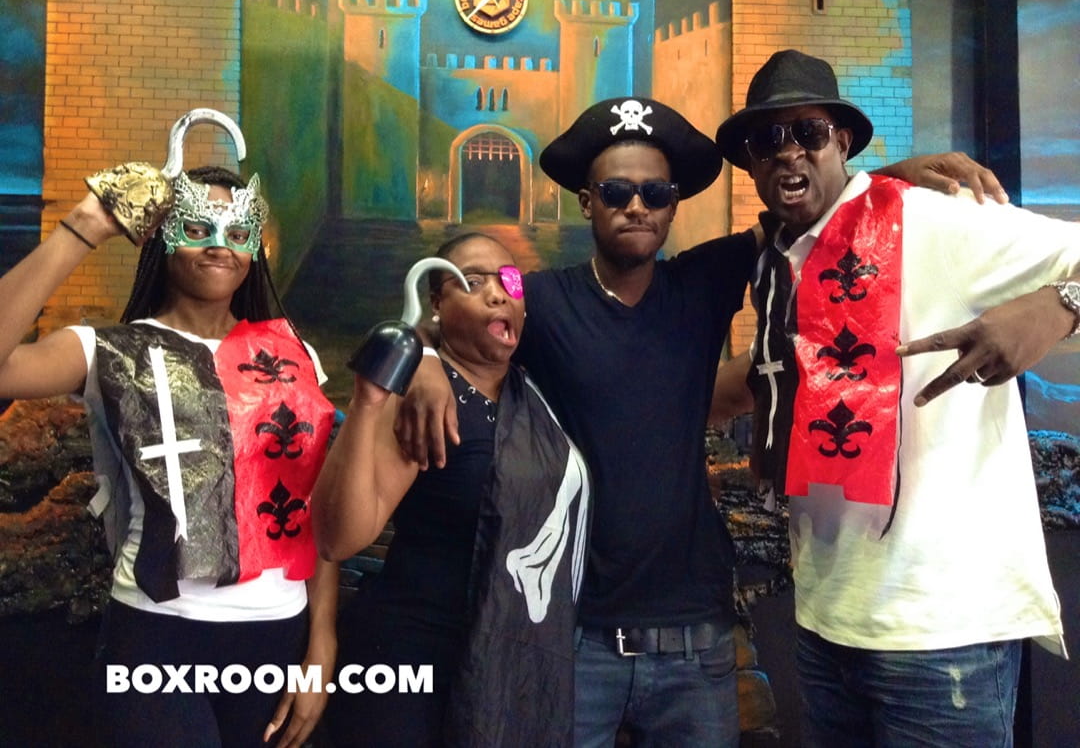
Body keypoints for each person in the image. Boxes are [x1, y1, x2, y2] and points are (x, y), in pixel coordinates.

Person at [395, 96, 1007, 746]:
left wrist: (888, 176)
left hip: (696, 638)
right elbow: (453, 307)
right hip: (574, 633)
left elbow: (810, 208)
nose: (637, 205)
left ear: (673, 206)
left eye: (656, 192)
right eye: (617, 191)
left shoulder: (703, 280)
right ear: (587, 201)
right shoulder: (542, 298)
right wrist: (422, 357)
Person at [711, 48, 1080, 746]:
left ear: (842, 141)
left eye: (809, 133)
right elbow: (763, 379)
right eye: (766, 140)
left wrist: (1059, 307)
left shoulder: (932, 221)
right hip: (825, 624)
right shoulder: (779, 263)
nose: (788, 152)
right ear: (751, 165)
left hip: (942, 635)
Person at [0, 166, 339, 748]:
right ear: (163, 234)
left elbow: (317, 508)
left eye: (237, 233)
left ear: (254, 247)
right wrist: (86, 224)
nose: (219, 245)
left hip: (276, 631)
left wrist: (323, 642)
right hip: (156, 633)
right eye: (198, 227)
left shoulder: (294, 355)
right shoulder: (109, 348)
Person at [313, 232, 590, 747]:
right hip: (411, 663)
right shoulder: (422, 400)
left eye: (509, 281)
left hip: (498, 663)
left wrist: (424, 353)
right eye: (473, 281)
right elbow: (338, 538)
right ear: (437, 304)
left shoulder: (533, 390)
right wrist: (372, 400)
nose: (497, 294)